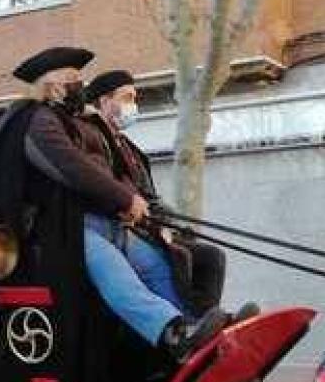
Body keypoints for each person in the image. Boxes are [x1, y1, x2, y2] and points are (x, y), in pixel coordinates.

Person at [0, 47, 227, 382]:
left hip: (100, 221)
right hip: (58, 233)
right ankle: (173, 333)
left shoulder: (76, 122)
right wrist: (125, 199)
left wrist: (134, 207)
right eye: (72, 80)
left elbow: (103, 172)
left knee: (158, 262)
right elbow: (71, 169)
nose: (80, 86)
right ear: (52, 86)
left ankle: (193, 330)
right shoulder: (36, 120)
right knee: (117, 272)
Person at [84, 69, 256, 322]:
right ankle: (191, 322)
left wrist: (176, 223)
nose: (133, 105)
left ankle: (208, 319)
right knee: (179, 258)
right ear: (103, 101)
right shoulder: (95, 139)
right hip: (127, 226)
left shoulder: (130, 149)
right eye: (127, 98)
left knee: (211, 256)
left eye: (134, 98)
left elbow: (149, 196)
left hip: (148, 224)